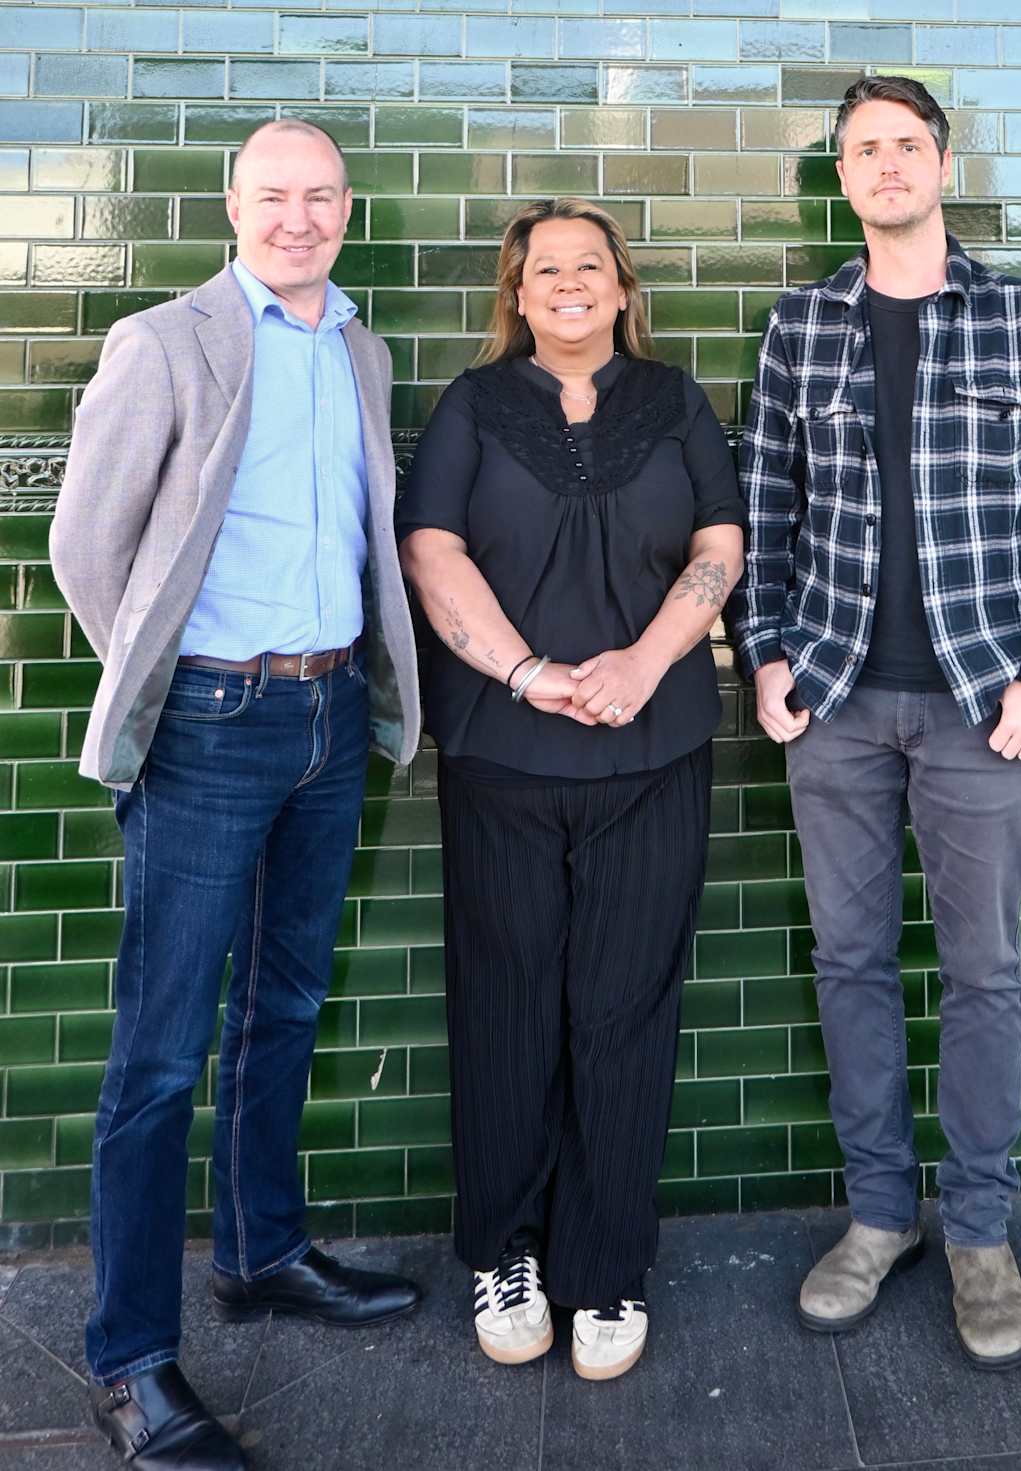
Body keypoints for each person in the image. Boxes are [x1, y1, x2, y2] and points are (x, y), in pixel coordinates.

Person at [49, 119, 422, 1470]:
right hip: (211, 722)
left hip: (329, 716)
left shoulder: (360, 348)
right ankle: (130, 1362)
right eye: (274, 195)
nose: (297, 217)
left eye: (321, 196)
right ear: (232, 204)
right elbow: (86, 545)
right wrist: (173, 675)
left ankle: (262, 1253)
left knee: (286, 1004)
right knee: (160, 1053)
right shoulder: (166, 342)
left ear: (347, 209)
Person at [728, 76, 1021, 1371]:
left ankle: (983, 1232)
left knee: (983, 970)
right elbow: (763, 503)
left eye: (906, 144)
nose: (887, 164)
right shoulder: (802, 325)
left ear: (944, 163)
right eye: (864, 149)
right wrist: (764, 656)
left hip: (981, 703)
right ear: (842, 177)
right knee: (850, 962)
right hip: (834, 700)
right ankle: (882, 1213)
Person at [397, 197, 745, 1382]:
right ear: (518, 293)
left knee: (624, 1011)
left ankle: (608, 1267)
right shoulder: (473, 404)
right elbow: (430, 547)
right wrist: (527, 672)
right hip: (501, 753)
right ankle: (506, 1253)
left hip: (654, 753)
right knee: (505, 1008)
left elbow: (721, 543)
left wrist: (645, 664)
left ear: (623, 286)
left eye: (589, 265)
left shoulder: (676, 401)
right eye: (545, 269)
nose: (568, 283)